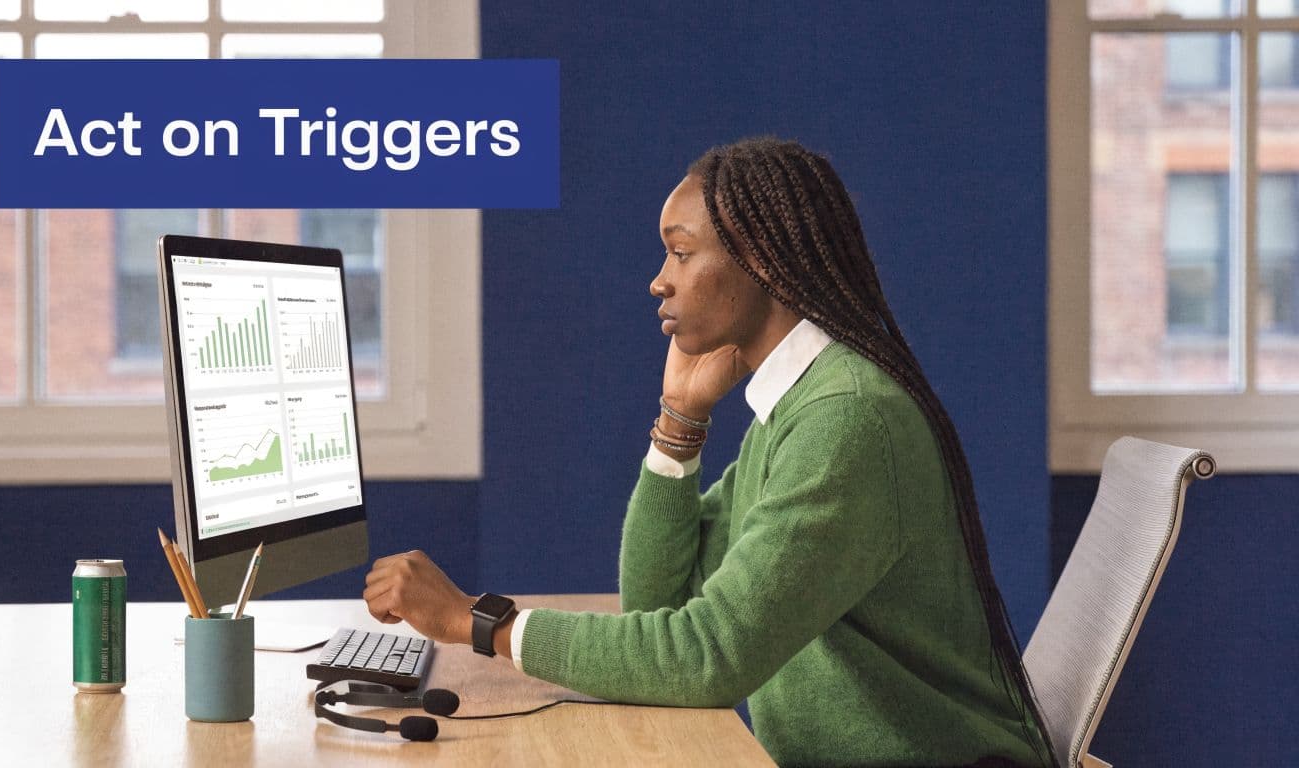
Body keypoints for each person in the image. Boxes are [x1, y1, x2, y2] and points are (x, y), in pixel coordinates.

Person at [364, 137, 1057, 768]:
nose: (659, 280)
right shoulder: (798, 408)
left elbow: (707, 656)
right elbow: (656, 603)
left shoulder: (845, 421)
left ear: (759, 258)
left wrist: (475, 623)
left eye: (681, 251)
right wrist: (680, 421)